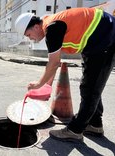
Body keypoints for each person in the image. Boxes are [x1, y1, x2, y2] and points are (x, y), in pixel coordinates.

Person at [14, 7, 115, 142]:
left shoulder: (52, 28)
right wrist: (46, 86)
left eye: (29, 35)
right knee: (91, 84)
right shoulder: (50, 25)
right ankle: (95, 124)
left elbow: (54, 63)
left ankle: (75, 131)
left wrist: (39, 84)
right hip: (96, 42)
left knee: (90, 89)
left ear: (36, 27)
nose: (30, 39)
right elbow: (54, 64)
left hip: (106, 38)